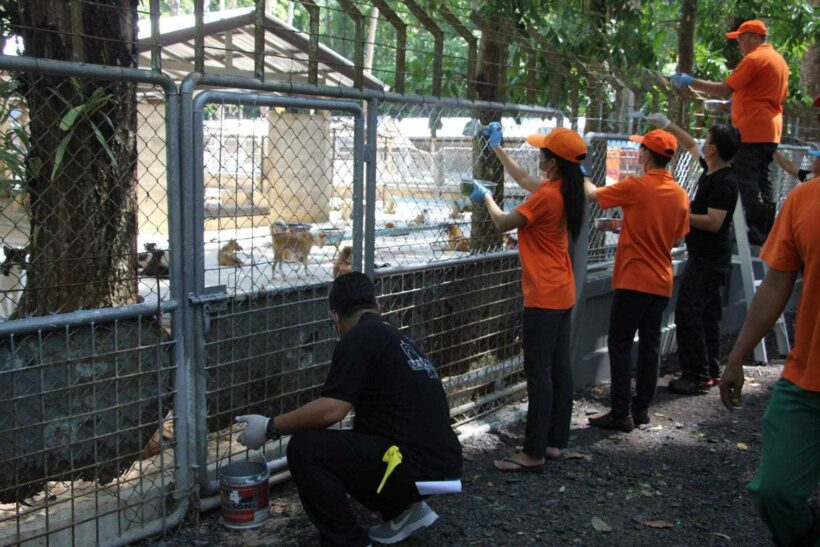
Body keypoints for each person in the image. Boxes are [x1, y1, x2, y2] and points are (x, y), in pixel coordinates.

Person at [234, 272, 462, 546]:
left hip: (417, 470)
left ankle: (348, 541)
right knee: (364, 432)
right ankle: (406, 512)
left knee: (305, 449)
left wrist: (270, 426)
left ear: (334, 317)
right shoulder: (397, 339)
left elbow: (332, 409)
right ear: (378, 307)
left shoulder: (357, 338)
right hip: (444, 472)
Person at [719, 142, 820, 546]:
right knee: (773, 491)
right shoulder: (804, 200)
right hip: (806, 379)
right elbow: (777, 282)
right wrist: (737, 357)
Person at [470, 123, 586, 472]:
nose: (537, 157)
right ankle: (553, 444)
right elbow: (524, 181)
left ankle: (532, 452)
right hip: (563, 290)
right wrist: (498, 149)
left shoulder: (548, 196)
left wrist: (485, 196)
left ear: (551, 163)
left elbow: (505, 223)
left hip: (543, 295)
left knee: (539, 375)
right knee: (560, 371)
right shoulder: (567, 188)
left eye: (541, 153)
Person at [584, 129, 690, 432]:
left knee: (619, 343)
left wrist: (577, 171)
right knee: (649, 346)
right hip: (661, 280)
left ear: (645, 155)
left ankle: (620, 412)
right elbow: (677, 236)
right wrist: (628, 226)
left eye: (640, 149)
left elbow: (592, 195)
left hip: (633, 279)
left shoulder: (636, 186)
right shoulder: (680, 193)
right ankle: (641, 408)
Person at [642, 113, 741, 394]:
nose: (702, 143)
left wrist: (682, 212)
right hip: (705, 257)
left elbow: (714, 222)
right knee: (708, 316)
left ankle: (696, 374)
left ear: (714, 149)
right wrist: (666, 124)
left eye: (707, 140)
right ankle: (709, 370)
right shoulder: (711, 168)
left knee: (689, 314)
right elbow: (688, 143)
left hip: (710, 260)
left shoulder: (724, 181)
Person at [670, 19, 789, 244]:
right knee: (761, 179)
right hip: (770, 129)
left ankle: (754, 231)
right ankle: (765, 227)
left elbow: (724, 89)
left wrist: (690, 82)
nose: (739, 45)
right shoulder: (779, 61)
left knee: (746, 180)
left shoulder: (755, 59)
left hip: (752, 130)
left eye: (741, 39)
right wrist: (730, 106)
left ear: (755, 37)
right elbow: (766, 96)